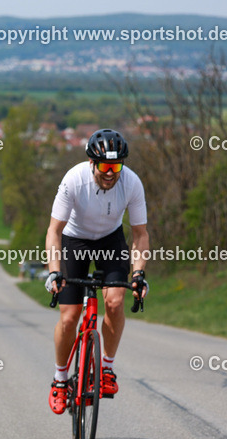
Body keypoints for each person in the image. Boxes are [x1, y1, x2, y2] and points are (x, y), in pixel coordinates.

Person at [44, 129, 149, 414]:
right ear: (93, 163)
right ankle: (60, 380)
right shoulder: (74, 180)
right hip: (74, 240)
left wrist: (138, 274)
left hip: (110, 241)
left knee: (114, 302)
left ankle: (106, 370)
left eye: (116, 166)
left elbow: (140, 234)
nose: (110, 173)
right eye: (104, 166)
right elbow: (54, 231)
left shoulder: (132, 183)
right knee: (70, 317)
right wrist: (54, 271)